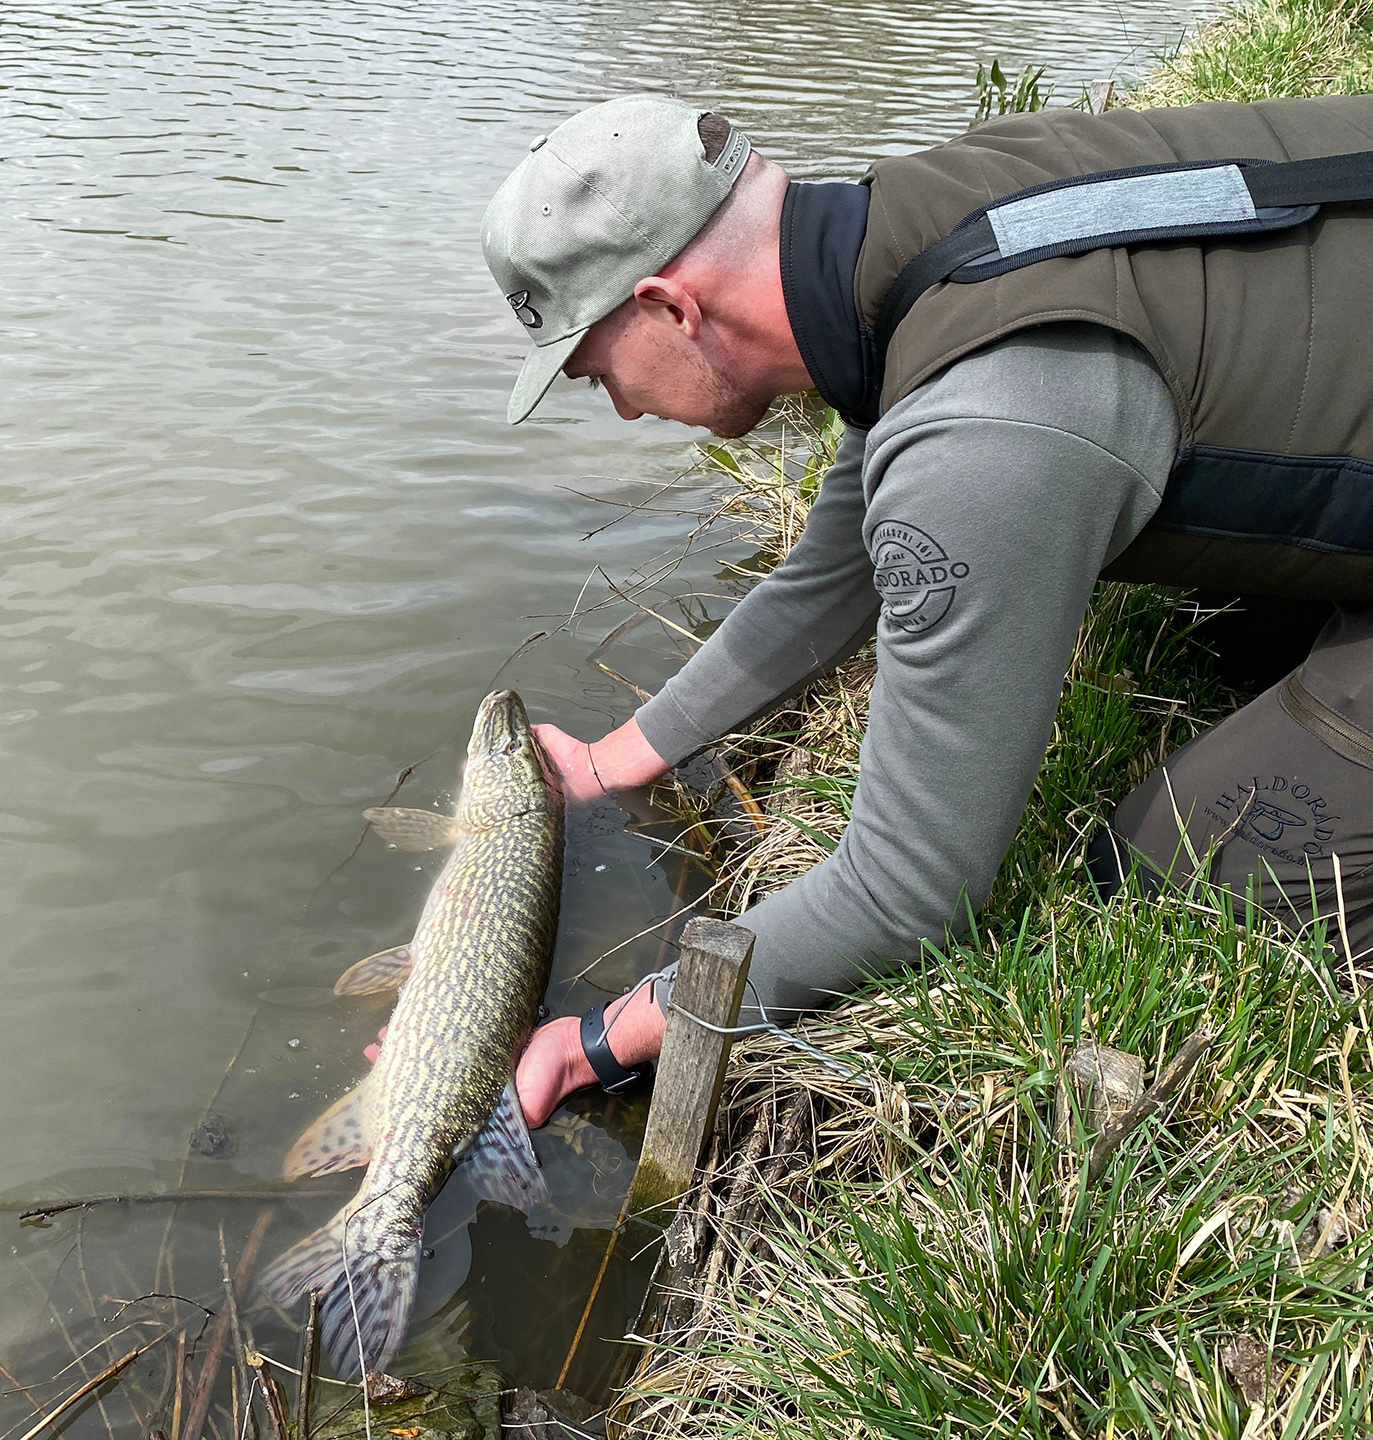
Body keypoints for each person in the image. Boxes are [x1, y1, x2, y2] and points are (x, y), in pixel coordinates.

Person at [475, 92, 1373, 1128]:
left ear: (671, 306)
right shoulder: (920, 232)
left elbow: (906, 885)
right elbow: (831, 573)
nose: (626, 408)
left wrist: (605, 1037)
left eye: (600, 376)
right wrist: (619, 757)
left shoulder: (983, 429)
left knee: (1177, 873)